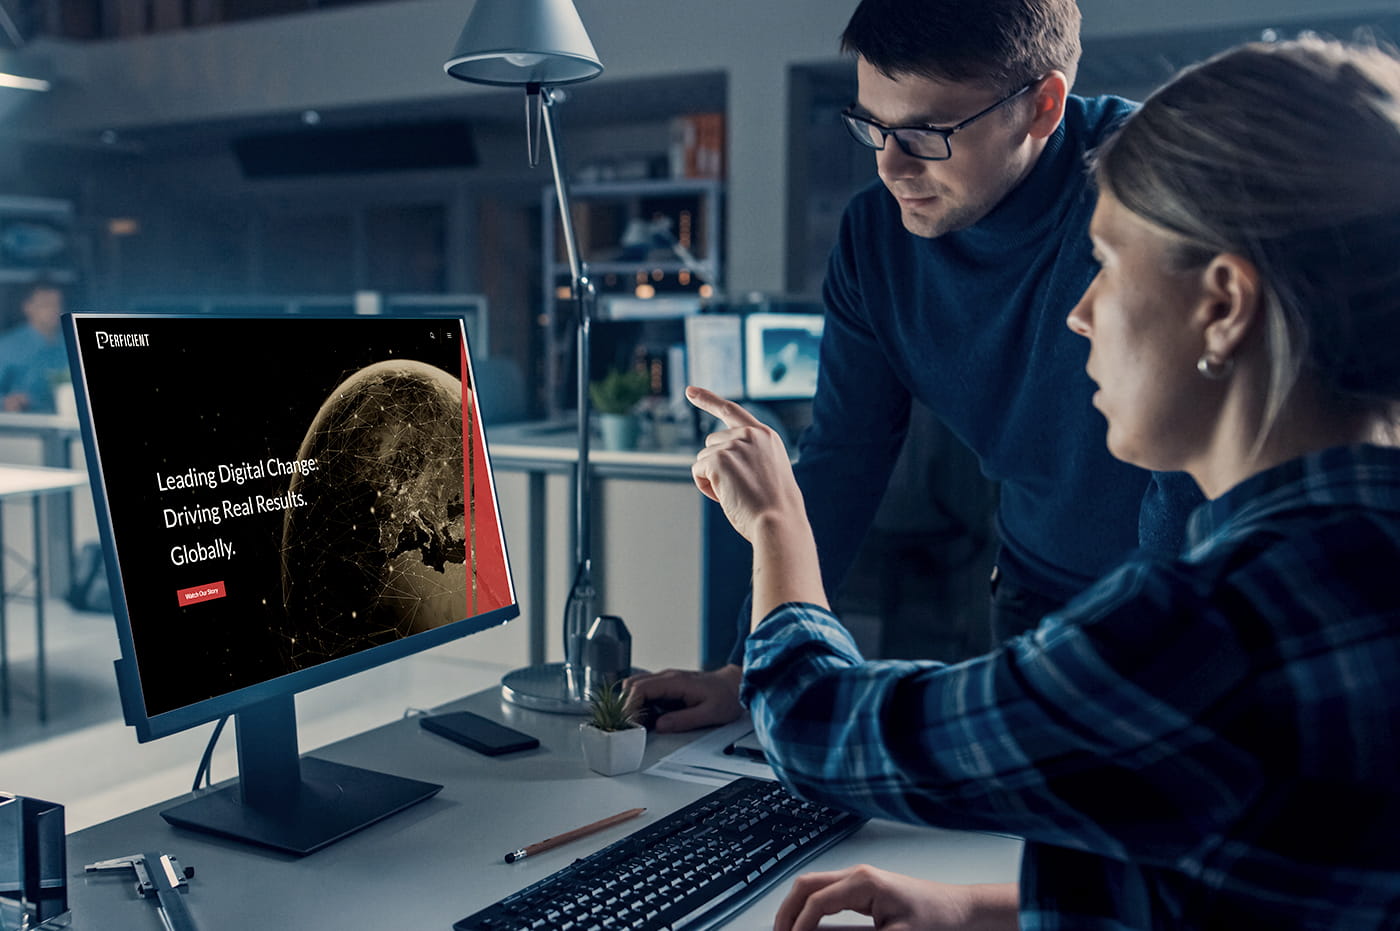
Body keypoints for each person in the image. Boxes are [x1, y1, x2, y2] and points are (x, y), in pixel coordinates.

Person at [686, 36, 1400, 929]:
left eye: (1107, 266)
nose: (1078, 309)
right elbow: (1248, 873)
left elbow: (818, 727)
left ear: (1221, 305)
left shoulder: (1201, 633)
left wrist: (776, 520)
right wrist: (987, 909)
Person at [625, 0, 1202, 733]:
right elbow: (844, 456)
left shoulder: (1157, 192)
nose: (891, 167)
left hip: (1180, 596)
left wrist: (1164, 656)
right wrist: (746, 666)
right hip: (1035, 592)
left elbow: (1188, 471)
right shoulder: (876, 241)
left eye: (927, 134)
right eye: (873, 127)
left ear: (1042, 106)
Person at [0, 281, 68, 413]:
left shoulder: (72, 345)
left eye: (58, 304)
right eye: (46, 305)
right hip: (21, 426)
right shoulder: (7, 347)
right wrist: (6, 401)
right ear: (28, 307)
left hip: (68, 423)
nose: (54, 310)